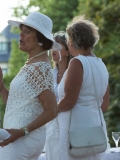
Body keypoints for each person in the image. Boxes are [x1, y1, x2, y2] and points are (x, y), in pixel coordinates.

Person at [0, 12, 60, 160]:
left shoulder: (39, 68)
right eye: (21, 31)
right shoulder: (33, 64)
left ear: (40, 39)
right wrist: (1, 86)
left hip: (22, 139)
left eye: (27, 32)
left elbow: (52, 110)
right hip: (24, 138)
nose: (20, 35)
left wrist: (21, 132)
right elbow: (18, 106)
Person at [57, 15, 109, 160]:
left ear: (73, 41)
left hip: (74, 131)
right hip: (96, 128)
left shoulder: (77, 63)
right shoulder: (101, 64)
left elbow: (69, 101)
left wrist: (50, 110)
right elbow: (104, 104)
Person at [45, 31, 72, 160]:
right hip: (51, 130)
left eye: (57, 46)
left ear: (68, 51)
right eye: (52, 46)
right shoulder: (48, 75)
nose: (53, 49)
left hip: (70, 128)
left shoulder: (74, 74)